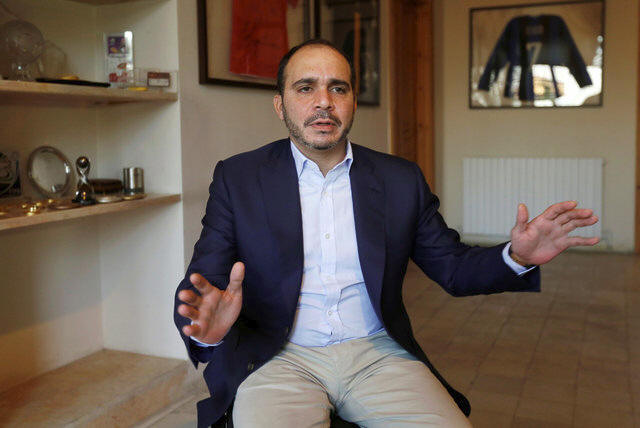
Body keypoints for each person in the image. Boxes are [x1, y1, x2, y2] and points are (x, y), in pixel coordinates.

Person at [174, 39, 599, 428]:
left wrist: (517, 256)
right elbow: (203, 284)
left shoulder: (400, 180)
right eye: (305, 88)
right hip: (277, 357)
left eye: (338, 88)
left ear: (353, 102)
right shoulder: (239, 178)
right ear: (280, 105)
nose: (324, 102)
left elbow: (452, 268)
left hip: (377, 354)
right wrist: (208, 332)